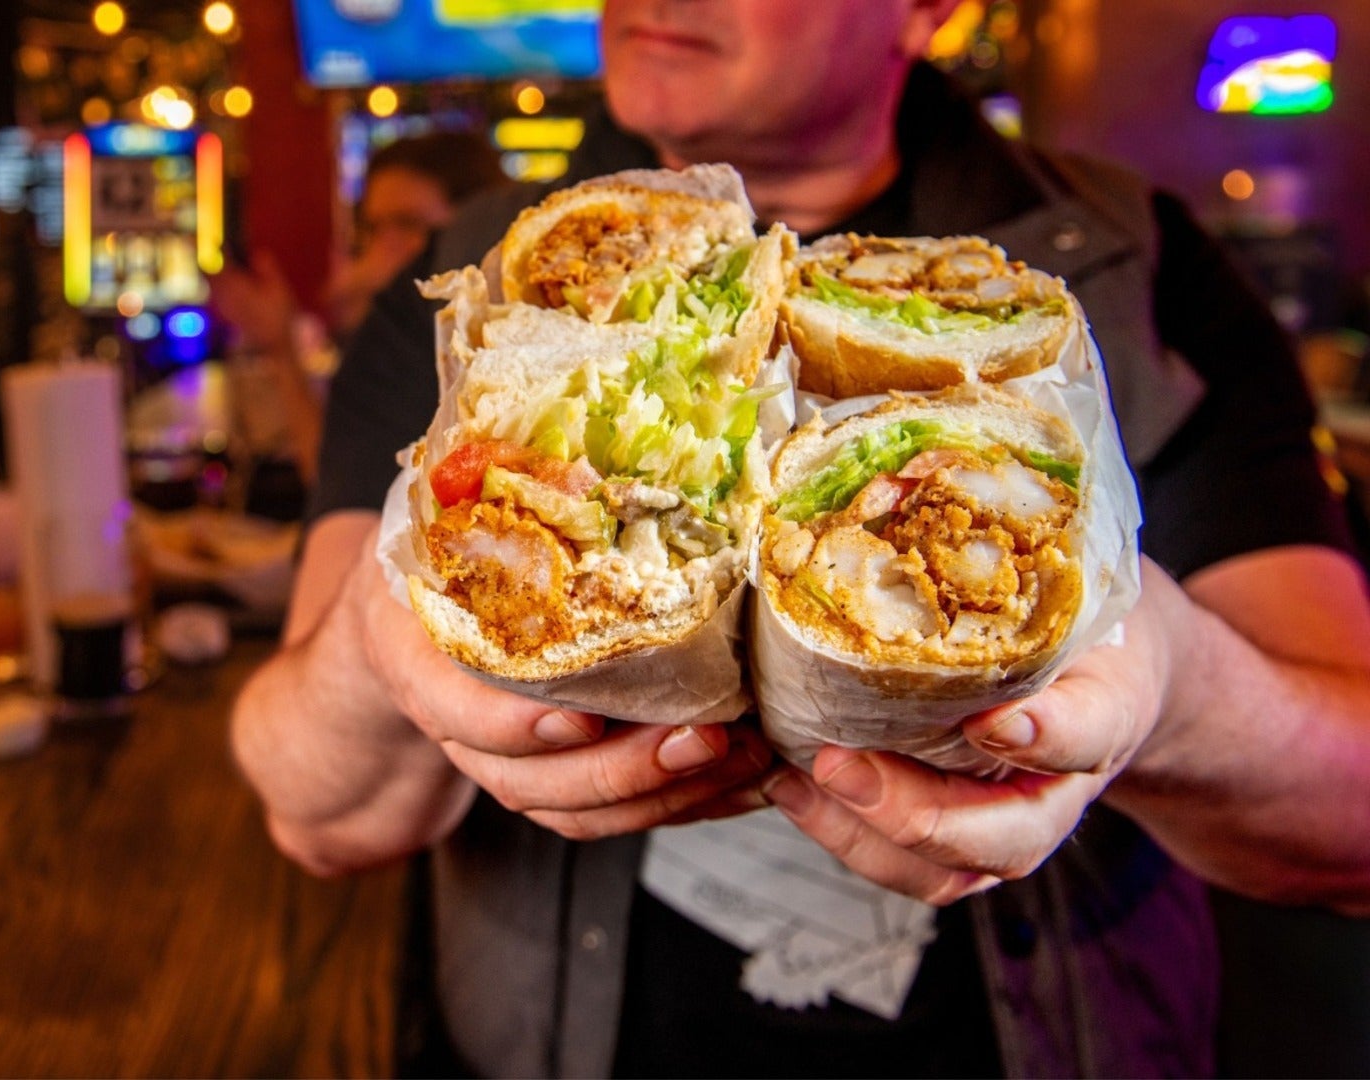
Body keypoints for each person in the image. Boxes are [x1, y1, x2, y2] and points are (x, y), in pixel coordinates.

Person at [231, 1, 1370, 1075]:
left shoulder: (1149, 276)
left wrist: (1169, 680)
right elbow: (312, 812)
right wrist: (387, 636)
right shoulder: (484, 285)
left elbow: (1348, 825)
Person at [209, 131, 509, 489]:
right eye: (374, 228)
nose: (382, 247)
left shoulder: (492, 344)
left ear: (472, 230)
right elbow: (339, 478)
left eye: (408, 224)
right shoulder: (390, 336)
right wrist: (283, 347)